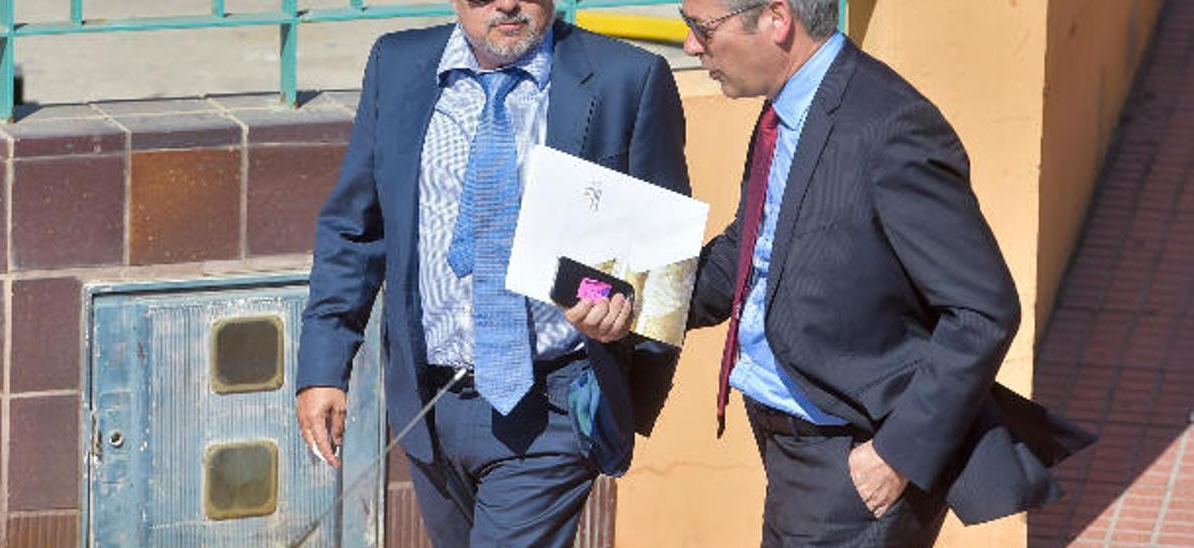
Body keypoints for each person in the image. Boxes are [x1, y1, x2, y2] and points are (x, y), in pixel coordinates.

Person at [572, 0, 1094, 545]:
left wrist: (897, 455)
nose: (691, 46)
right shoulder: (785, 109)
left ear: (777, 19)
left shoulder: (891, 127)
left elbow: (983, 310)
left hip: (851, 453)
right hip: (787, 441)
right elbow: (749, 252)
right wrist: (626, 296)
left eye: (702, 28)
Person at [293, 0, 690, 544]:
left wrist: (619, 368)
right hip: (430, 405)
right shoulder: (398, 64)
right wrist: (324, 364)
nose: (506, 2)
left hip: (552, 405)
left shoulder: (628, 78)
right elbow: (356, 228)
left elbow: (662, 263)